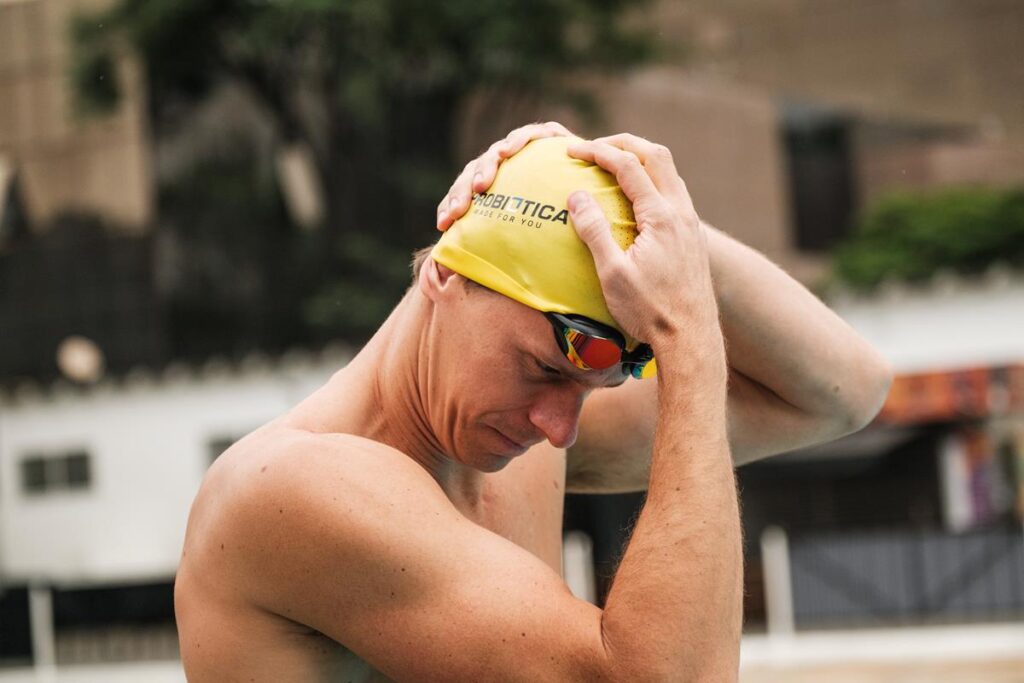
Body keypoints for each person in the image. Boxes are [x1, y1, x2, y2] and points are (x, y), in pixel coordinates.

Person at [174, 122, 892, 682]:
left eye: (587, 387)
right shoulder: (294, 489)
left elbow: (844, 390)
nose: (559, 427)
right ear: (448, 276)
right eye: (543, 367)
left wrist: (644, 212)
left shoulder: (509, 437)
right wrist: (686, 333)